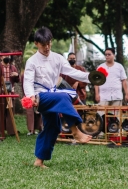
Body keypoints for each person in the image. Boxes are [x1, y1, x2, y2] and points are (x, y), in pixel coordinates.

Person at [23, 27, 92, 168]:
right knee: (63, 97)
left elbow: (72, 72)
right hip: (39, 96)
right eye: (43, 45)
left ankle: (39, 161)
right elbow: (27, 81)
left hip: (52, 94)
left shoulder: (58, 58)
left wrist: (90, 77)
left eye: (49, 43)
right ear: (36, 43)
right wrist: (30, 97)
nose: (47, 47)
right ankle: (75, 131)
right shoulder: (32, 61)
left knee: (53, 127)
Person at [0, 51, 20, 137]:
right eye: (5, 55)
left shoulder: (13, 67)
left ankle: (11, 131)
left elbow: (17, 81)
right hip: (0, 93)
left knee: (10, 112)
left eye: (8, 55)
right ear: (1, 57)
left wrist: (17, 75)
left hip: (10, 92)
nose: (7, 57)